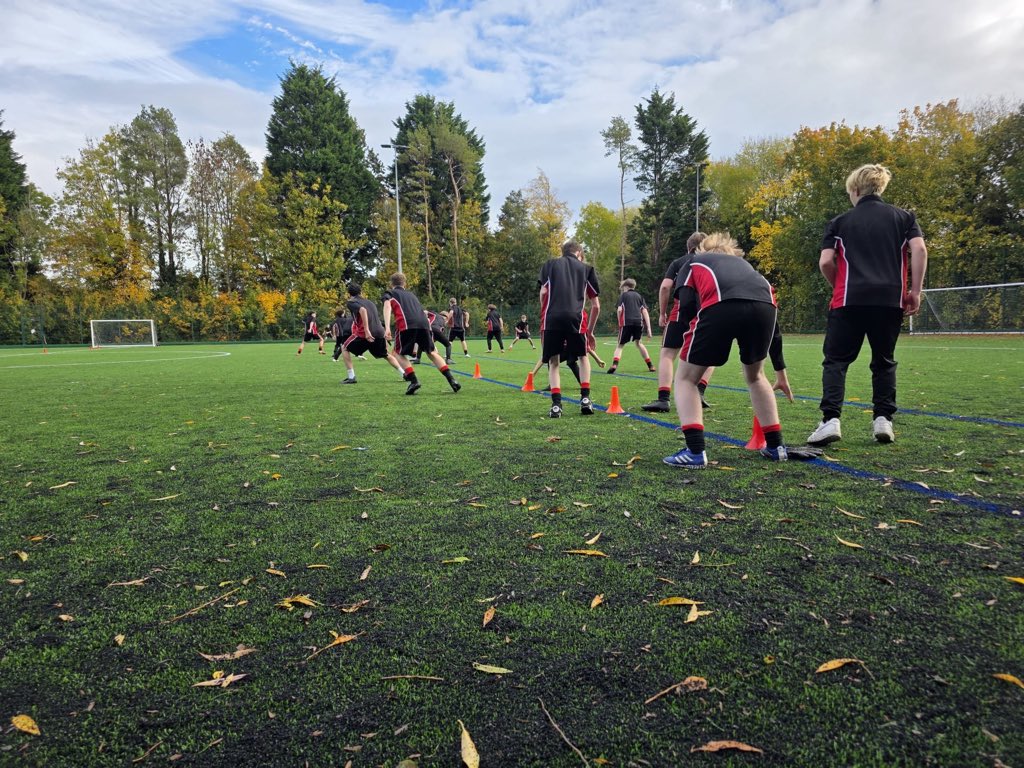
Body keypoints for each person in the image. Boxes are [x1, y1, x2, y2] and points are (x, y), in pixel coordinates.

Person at [807, 163, 928, 446]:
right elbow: (919, 249)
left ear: (855, 189)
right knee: (883, 361)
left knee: (836, 360)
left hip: (849, 299)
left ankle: (830, 421)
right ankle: (883, 420)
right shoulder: (904, 218)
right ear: (880, 187)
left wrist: (839, 286)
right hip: (890, 300)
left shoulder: (839, 222)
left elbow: (826, 261)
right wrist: (915, 291)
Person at [663, 232, 793, 468]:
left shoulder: (694, 261)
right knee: (756, 376)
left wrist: (690, 338)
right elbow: (775, 328)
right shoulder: (749, 269)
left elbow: (687, 304)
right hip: (765, 308)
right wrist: (780, 370)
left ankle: (695, 451)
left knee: (685, 378)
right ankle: (775, 446)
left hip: (720, 305)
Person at [642, 232, 717, 412]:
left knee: (668, 354)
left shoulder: (679, 262)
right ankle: (699, 391)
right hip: (709, 310)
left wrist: (662, 313)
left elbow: (666, 286)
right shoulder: (714, 262)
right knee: (712, 353)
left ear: (688, 247)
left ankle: (663, 399)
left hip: (682, 310)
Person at [538, 240, 600, 418]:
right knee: (582, 357)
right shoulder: (586, 269)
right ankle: (585, 399)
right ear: (579, 253)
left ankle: (556, 405)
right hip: (576, 318)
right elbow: (595, 305)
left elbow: (543, 293)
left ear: (563, 252)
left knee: (554, 362)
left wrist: (545, 315)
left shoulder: (550, 265)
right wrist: (590, 331)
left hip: (552, 319)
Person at [383, 274, 462, 396]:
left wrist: (387, 327)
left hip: (406, 324)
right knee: (431, 352)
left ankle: (414, 381)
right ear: (405, 283)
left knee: (397, 353)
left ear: (391, 284)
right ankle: (452, 380)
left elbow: (387, 305)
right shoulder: (412, 295)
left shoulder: (390, 293)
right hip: (424, 324)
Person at [341, 283, 404, 384]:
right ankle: (404, 374)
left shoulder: (351, 302)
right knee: (386, 355)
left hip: (364, 333)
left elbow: (362, 310)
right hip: (379, 332)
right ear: (361, 292)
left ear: (349, 293)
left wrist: (366, 330)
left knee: (344, 347)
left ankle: (351, 377)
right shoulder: (370, 302)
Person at [607, 278, 655, 374]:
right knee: (639, 343)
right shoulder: (639, 296)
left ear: (626, 287)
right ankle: (651, 365)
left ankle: (615, 364)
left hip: (626, 322)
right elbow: (644, 311)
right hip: (638, 322)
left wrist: (619, 322)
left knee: (620, 345)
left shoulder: (623, 296)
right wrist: (649, 329)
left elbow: (619, 310)